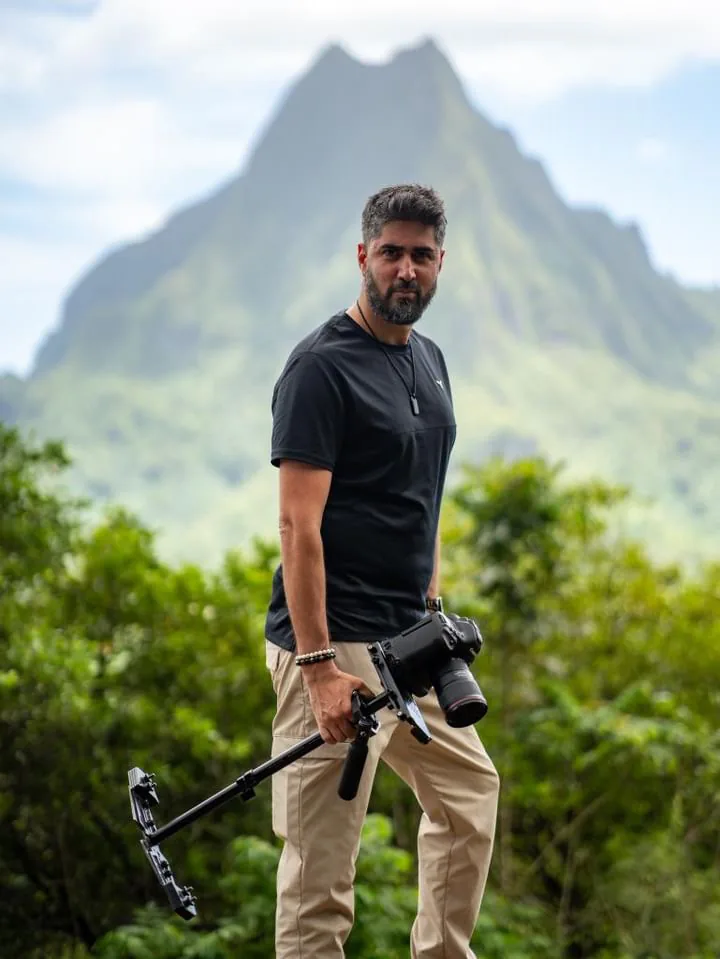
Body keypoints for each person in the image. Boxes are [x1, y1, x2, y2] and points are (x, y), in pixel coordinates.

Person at [263, 183, 499, 959]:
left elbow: (421, 488)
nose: (406, 269)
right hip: (332, 648)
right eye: (391, 252)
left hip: (410, 640)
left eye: (422, 255)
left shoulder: (428, 360)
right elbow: (298, 524)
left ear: (441, 264)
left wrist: (431, 592)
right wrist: (319, 665)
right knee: (320, 873)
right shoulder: (321, 369)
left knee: (469, 800)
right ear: (363, 256)